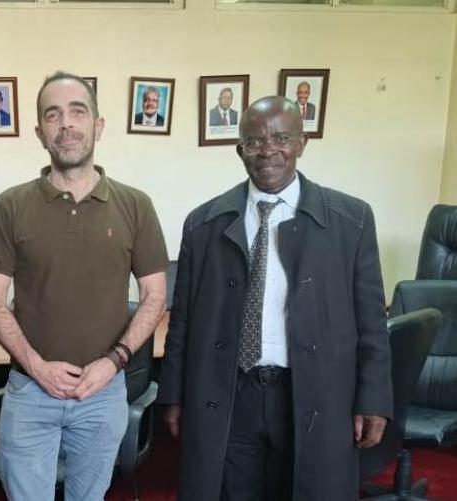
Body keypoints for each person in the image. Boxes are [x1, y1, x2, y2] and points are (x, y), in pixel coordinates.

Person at [158, 96, 392, 501]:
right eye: (253, 142)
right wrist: (174, 396)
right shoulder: (204, 223)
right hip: (231, 394)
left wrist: (374, 398)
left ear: (302, 143)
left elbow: (371, 321)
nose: (267, 150)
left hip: (314, 392)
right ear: (239, 150)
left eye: (281, 138)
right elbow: (182, 323)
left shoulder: (350, 221)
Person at [0, 71, 168, 501]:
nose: (66, 124)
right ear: (39, 132)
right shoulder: (11, 206)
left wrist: (113, 362)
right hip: (29, 391)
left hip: (103, 392)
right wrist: (37, 366)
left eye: (77, 111)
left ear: (98, 126)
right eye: (53, 115)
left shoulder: (135, 205)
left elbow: (156, 294)